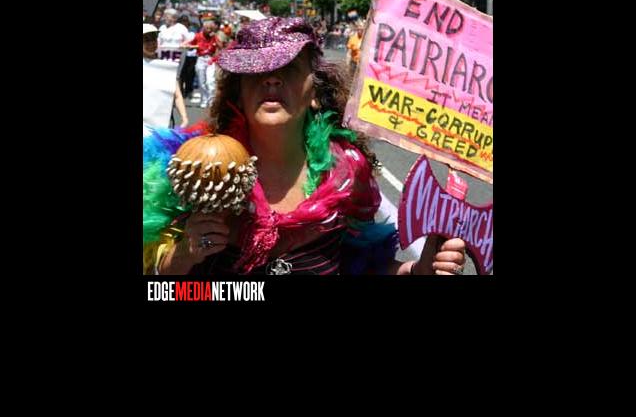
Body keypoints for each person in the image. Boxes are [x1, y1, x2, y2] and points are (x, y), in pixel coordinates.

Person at [143, 17, 465, 275]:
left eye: (289, 69)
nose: (272, 79)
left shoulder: (347, 171)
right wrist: (184, 254)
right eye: (257, 71)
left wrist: (416, 270)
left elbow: (365, 264)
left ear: (314, 93)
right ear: (238, 92)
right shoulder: (191, 165)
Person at [143, 24, 189, 129]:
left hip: (161, 125)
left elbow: (177, 94)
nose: (151, 43)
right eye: (146, 40)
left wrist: (184, 117)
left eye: (153, 39)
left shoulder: (166, 66)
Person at [190, 20, 219, 109]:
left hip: (210, 59)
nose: (209, 30)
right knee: (201, 82)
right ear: (203, 28)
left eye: (210, 28)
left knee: (210, 81)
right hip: (201, 59)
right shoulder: (198, 36)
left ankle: (211, 101)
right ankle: (204, 100)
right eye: (207, 28)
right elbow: (190, 45)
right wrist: (195, 46)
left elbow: (220, 46)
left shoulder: (214, 36)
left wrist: (215, 37)